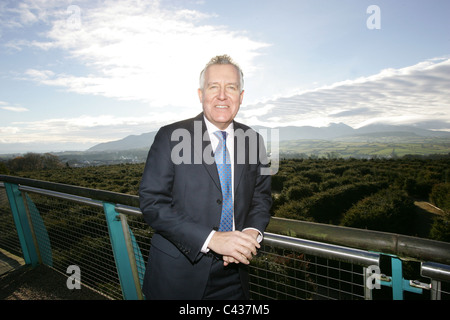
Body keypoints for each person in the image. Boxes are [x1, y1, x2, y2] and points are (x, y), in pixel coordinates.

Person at [139, 55, 272, 300]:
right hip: (176, 277)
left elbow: (261, 198)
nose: (222, 96)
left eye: (231, 87)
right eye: (214, 87)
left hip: (235, 276)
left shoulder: (254, 140)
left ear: (241, 96)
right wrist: (211, 239)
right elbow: (152, 203)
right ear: (201, 94)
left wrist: (251, 234)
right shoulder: (170, 136)